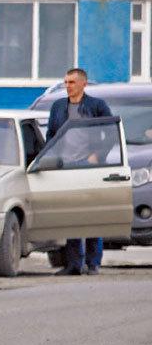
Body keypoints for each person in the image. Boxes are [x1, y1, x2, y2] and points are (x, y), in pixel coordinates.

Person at [47, 68, 112, 275]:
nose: (68, 86)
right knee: (71, 215)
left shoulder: (96, 106)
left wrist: (97, 155)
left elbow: (110, 133)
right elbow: (51, 135)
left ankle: (93, 263)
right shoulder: (58, 106)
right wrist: (49, 159)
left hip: (89, 165)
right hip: (65, 166)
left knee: (92, 214)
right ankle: (74, 264)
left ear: (83, 84)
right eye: (66, 82)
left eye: (72, 82)